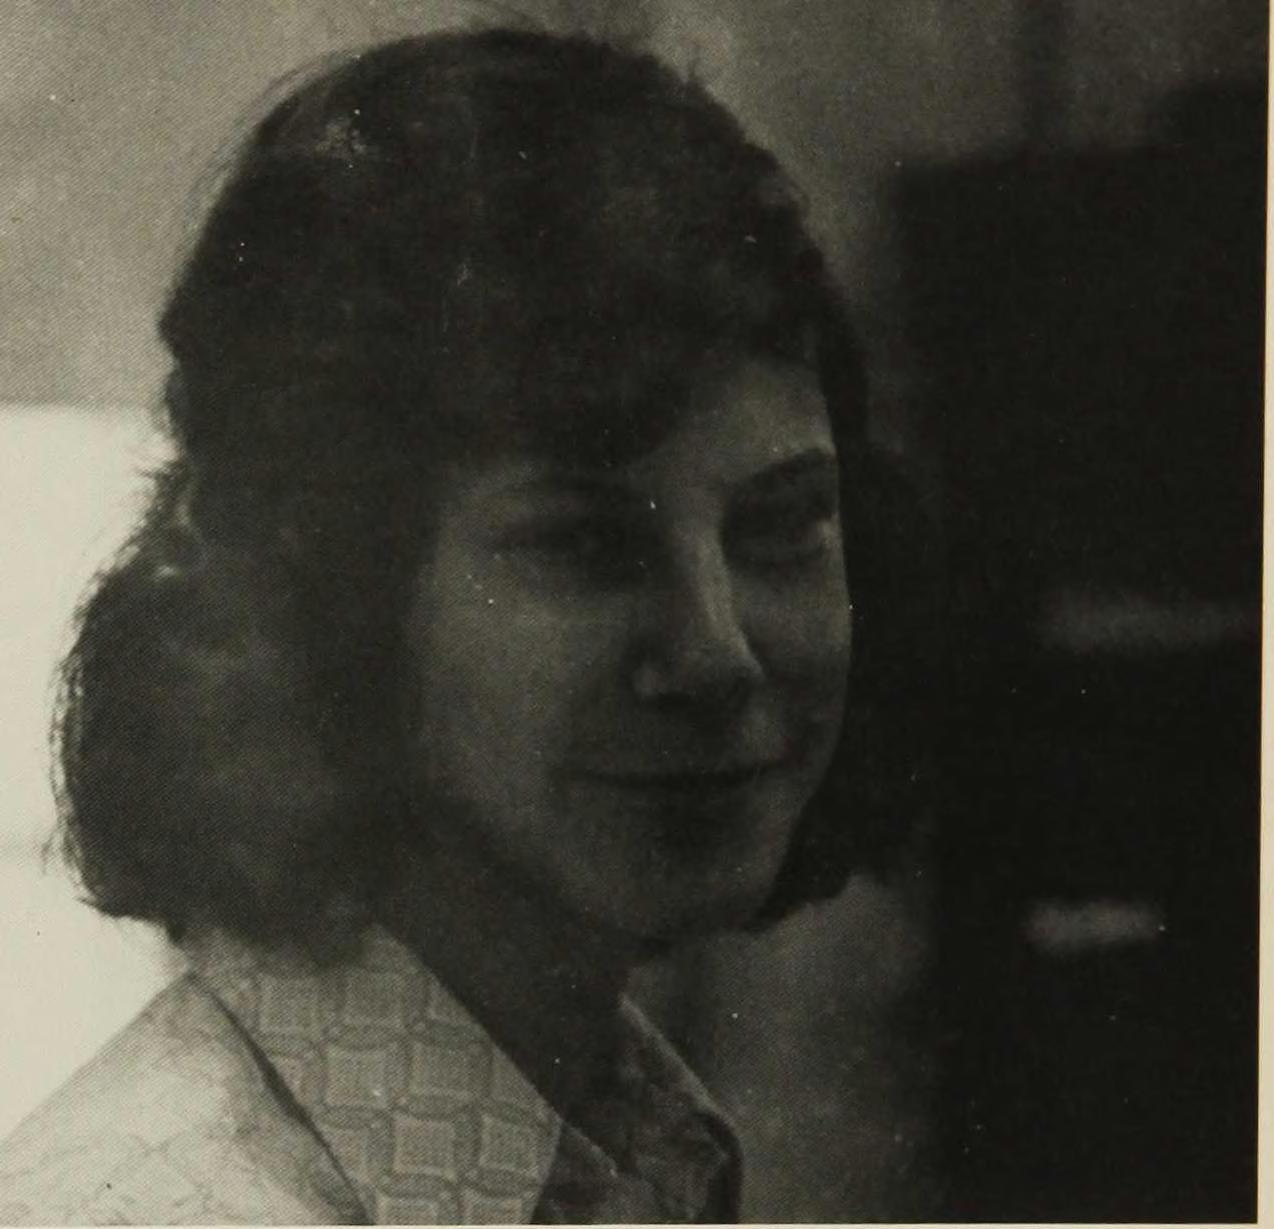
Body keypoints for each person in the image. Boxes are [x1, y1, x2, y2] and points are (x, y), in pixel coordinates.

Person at [0, 25, 925, 1224]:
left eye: (778, 526)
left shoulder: (629, 1150)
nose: (716, 651)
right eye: (582, 543)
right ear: (329, 598)